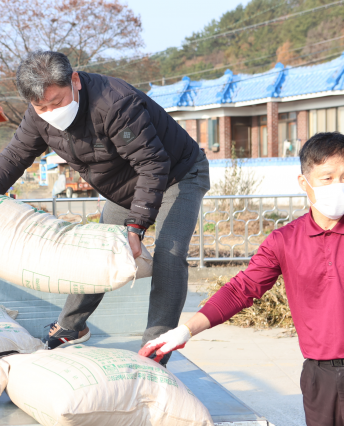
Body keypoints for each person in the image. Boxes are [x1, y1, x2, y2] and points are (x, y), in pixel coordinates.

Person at [0, 51, 210, 359]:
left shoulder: (115, 105)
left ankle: (155, 346)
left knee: (169, 253)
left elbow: (153, 164)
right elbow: (16, 156)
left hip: (178, 174)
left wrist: (136, 225)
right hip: (125, 186)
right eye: (40, 106)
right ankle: (71, 326)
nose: (49, 112)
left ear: (74, 81)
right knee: (97, 250)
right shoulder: (39, 117)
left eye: (56, 102)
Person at [140, 132, 344, 426]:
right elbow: (241, 290)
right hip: (320, 377)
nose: (338, 186)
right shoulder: (284, 240)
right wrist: (184, 331)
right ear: (305, 183)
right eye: (328, 178)